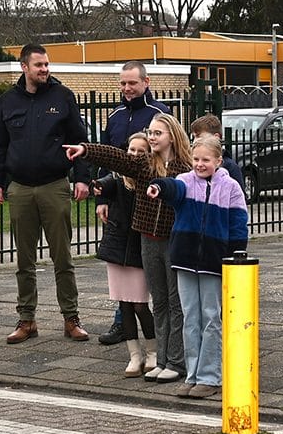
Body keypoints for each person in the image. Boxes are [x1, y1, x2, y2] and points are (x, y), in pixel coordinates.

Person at [65, 113, 192, 383]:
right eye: (151, 132)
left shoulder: (184, 168)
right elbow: (117, 157)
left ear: (172, 136)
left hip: (173, 240)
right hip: (148, 239)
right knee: (158, 302)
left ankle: (177, 361)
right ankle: (163, 359)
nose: (152, 137)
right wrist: (86, 150)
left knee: (174, 301)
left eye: (158, 133)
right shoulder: (145, 164)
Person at [0, 43, 92, 345]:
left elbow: (80, 140)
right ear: (24, 67)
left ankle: (71, 318)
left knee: (63, 257)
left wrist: (82, 179)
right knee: (24, 260)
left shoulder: (63, 97)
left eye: (47, 65)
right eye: (39, 65)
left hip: (54, 185)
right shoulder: (7, 101)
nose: (45, 70)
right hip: (19, 188)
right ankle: (26, 319)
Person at [146, 135, 248, 398]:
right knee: (191, 317)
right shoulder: (185, 182)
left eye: (205, 160)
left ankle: (210, 376)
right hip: (185, 260)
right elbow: (172, 188)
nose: (200, 164)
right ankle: (192, 374)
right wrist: (158, 186)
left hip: (215, 262)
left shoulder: (231, 187)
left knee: (211, 317)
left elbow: (238, 225)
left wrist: (235, 258)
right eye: (196, 159)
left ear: (218, 160)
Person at [97, 61, 169, 347]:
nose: (127, 89)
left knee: (146, 267)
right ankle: (122, 322)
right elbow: (107, 158)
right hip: (120, 200)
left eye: (132, 83)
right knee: (121, 261)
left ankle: (155, 326)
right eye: (123, 84)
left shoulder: (159, 114)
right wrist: (103, 197)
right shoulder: (114, 116)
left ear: (146, 82)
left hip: (150, 201)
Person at [90, 132, 157, 377]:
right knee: (125, 305)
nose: (135, 155)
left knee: (140, 305)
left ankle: (153, 351)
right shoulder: (117, 179)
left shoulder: (148, 179)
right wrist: (98, 189)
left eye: (141, 151)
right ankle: (134, 355)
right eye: (131, 150)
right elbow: (104, 182)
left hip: (139, 249)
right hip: (118, 249)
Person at [189, 113, 243, 185]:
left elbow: (238, 194)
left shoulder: (230, 167)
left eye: (199, 136)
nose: (195, 141)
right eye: (194, 137)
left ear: (216, 137)